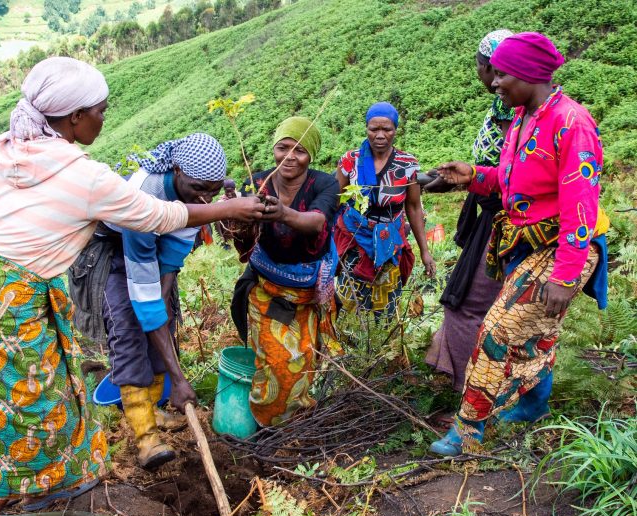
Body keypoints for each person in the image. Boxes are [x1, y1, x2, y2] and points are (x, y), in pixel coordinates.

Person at [0, 57, 265, 516]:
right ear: (72, 119)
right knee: (16, 406)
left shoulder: (5, 151)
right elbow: (156, 218)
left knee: (56, 390)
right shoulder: (84, 176)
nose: (105, 119)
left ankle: (49, 485)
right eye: (101, 111)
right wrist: (227, 209)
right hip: (4, 301)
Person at [429, 33, 609, 456]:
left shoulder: (571, 123)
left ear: (528, 75)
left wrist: (565, 276)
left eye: (503, 74)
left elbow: (581, 206)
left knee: (497, 331)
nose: (495, 82)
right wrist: (472, 173)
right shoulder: (524, 117)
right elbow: (512, 183)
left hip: (562, 247)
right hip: (525, 241)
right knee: (536, 333)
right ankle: (531, 405)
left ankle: (466, 432)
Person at [92, 133, 230, 470]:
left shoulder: (193, 199)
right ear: (178, 170)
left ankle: (152, 409)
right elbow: (142, 294)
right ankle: (146, 440)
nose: (206, 197)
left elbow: (167, 265)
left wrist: (164, 308)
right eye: (200, 187)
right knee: (128, 330)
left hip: (151, 248)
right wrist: (180, 379)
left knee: (162, 319)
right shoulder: (143, 193)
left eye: (213, 190)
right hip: (112, 251)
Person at [424, 30, 515, 422]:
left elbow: (508, 176)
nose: (487, 77)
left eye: (487, 68)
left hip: (506, 223)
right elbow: (491, 169)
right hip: (492, 217)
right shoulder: (502, 106)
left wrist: (469, 178)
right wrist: (449, 179)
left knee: (468, 306)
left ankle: (475, 406)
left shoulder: (519, 113)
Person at [227, 117, 342, 426]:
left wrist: (283, 212)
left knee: (303, 361)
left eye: (299, 150)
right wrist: (233, 220)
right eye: (283, 148)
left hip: (305, 296)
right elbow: (241, 239)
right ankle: (268, 423)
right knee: (273, 361)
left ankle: (295, 424)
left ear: (311, 155)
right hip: (266, 291)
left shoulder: (324, 184)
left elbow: (317, 221)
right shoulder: (257, 182)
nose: (290, 157)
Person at [333, 102, 436, 318]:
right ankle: (347, 344)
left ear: (395, 130)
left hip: (389, 242)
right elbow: (336, 200)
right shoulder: (351, 160)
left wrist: (425, 251)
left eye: (387, 129)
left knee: (386, 304)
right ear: (366, 129)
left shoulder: (407, 164)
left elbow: (414, 207)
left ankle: (382, 345)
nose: (380, 135)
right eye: (374, 129)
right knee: (348, 302)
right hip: (355, 239)